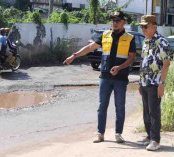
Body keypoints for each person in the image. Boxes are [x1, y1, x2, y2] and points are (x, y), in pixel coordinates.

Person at [63, 11, 136, 143]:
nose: (115, 23)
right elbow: (90, 47)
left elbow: (132, 58)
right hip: (105, 78)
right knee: (102, 106)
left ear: (124, 22)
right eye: (113, 20)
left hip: (121, 79)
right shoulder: (105, 35)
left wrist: (119, 68)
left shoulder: (130, 38)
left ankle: (118, 133)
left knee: (120, 107)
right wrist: (74, 56)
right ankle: (100, 133)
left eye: (117, 20)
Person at [137, 15, 171, 151]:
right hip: (145, 82)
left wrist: (162, 83)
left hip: (155, 82)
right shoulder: (146, 41)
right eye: (142, 27)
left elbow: (166, 64)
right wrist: (140, 83)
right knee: (146, 111)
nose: (143, 29)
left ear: (154, 27)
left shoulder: (161, 42)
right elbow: (143, 63)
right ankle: (149, 135)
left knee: (154, 112)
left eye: (145, 26)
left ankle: (156, 140)